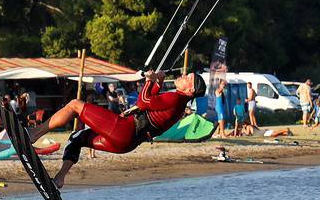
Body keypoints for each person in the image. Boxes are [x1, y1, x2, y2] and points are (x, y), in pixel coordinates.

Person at [29, 71, 206, 189]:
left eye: (187, 77)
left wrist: (149, 81)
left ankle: (34, 133)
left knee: (75, 105)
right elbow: (154, 103)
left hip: (124, 129)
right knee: (78, 137)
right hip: (128, 142)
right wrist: (157, 83)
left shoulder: (176, 98)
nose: (183, 75)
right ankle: (59, 178)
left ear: (190, 90)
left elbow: (143, 102)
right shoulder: (178, 103)